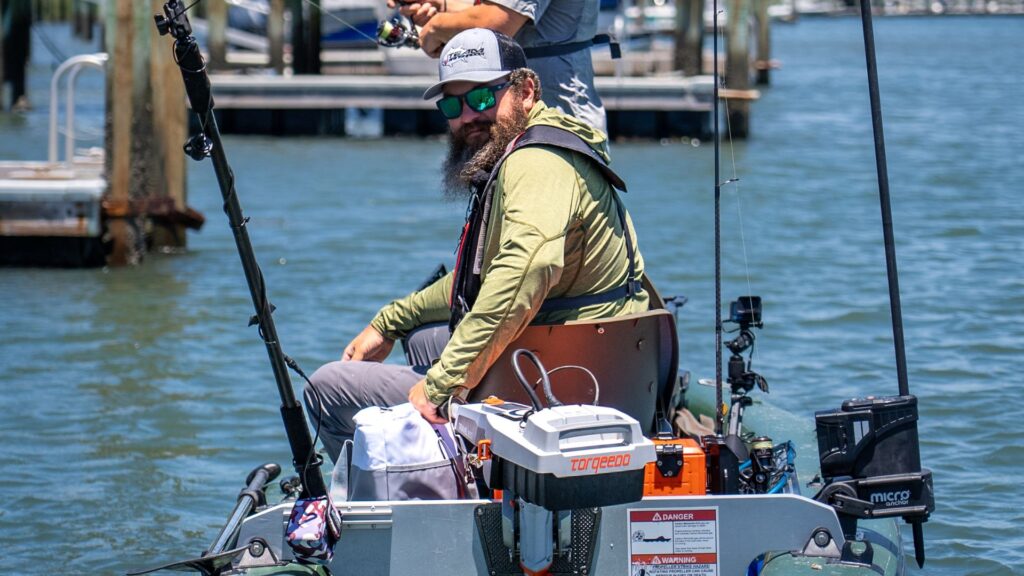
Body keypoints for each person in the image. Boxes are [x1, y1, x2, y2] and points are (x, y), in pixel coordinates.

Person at [305, 29, 646, 462]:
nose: (468, 116)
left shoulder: (536, 162)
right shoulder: (528, 145)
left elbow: (524, 271)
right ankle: (442, 465)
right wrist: (390, 320)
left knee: (327, 388)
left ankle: (382, 512)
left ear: (525, 89)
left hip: (571, 377)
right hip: (575, 351)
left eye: (483, 98)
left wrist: (440, 386)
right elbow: (482, 277)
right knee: (424, 337)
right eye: (453, 104)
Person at [389, 0, 609, 133]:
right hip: (520, 120)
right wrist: (441, 5)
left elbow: (496, 22)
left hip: (557, 120)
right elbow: (497, 7)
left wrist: (436, 27)